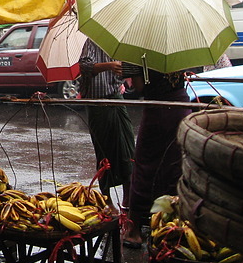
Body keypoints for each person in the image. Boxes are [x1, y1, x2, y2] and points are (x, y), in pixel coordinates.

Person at [122, 65, 192, 248]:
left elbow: (139, 88)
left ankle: (134, 230)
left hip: (157, 111)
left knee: (145, 166)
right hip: (181, 108)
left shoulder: (135, 52)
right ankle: (174, 227)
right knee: (175, 166)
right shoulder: (181, 44)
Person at [77, 39, 135, 213]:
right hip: (97, 102)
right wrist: (109, 65)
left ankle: (128, 196)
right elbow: (85, 67)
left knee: (127, 148)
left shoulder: (120, 43)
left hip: (116, 98)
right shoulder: (91, 42)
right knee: (103, 152)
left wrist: (124, 74)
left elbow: (125, 72)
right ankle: (106, 199)